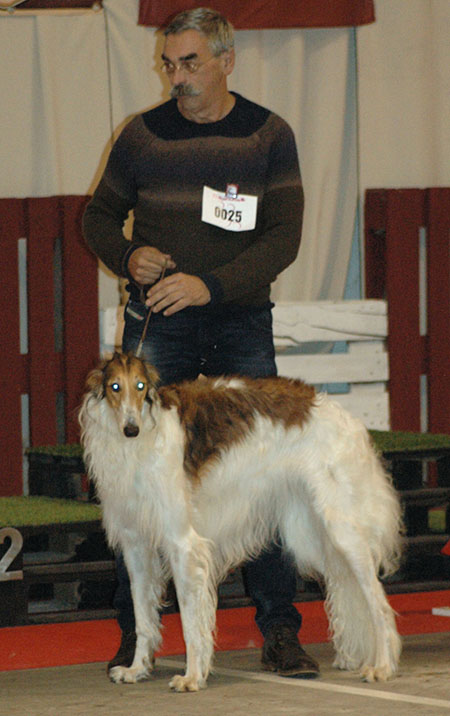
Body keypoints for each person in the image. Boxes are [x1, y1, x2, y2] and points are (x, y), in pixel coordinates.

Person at [83, 6, 319, 680]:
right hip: (158, 330)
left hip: (240, 324)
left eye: (189, 62)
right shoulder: (141, 136)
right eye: (169, 63)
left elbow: (283, 238)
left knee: (265, 481)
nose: (176, 77)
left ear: (226, 60)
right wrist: (128, 256)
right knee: (134, 488)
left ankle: (280, 631)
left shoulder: (269, 134)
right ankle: (138, 637)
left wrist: (209, 287)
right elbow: (97, 216)